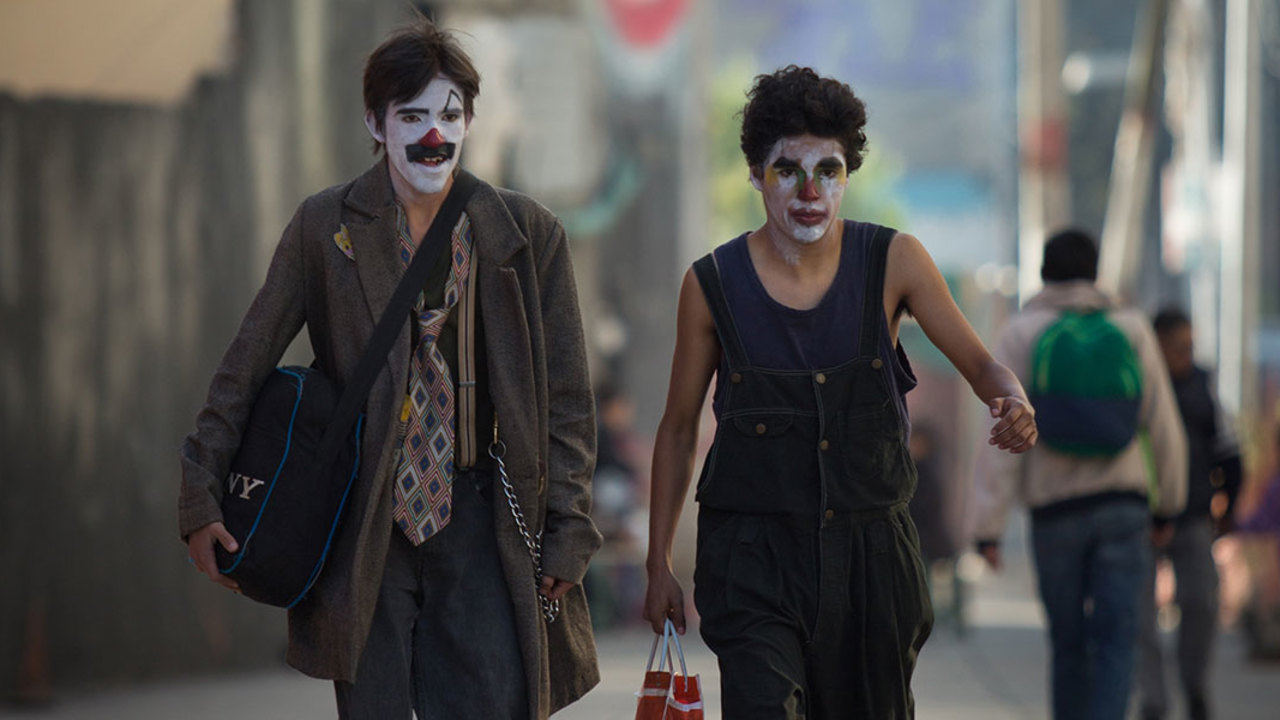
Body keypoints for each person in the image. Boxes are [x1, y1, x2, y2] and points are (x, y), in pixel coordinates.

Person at [178, 17, 601, 720]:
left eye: (449, 116)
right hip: (363, 517)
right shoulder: (325, 226)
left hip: (484, 519)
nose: (433, 134)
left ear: (469, 122)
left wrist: (569, 527)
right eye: (411, 116)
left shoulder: (530, 235)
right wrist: (201, 495)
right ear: (375, 122)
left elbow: (568, 401)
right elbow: (244, 366)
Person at [642, 65, 1038, 719]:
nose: (809, 191)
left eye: (827, 170)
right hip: (753, 564)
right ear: (756, 173)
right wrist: (658, 563)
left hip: (872, 565)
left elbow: (982, 366)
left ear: (847, 174)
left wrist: (1014, 399)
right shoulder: (711, 285)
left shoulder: (895, 262)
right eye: (787, 169)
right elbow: (679, 429)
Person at [972, 228, 1188, 720]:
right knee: (1117, 640)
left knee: (1068, 643)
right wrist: (1168, 506)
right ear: (1095, 273)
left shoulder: (1022, 332)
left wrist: (987, 528)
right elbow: (1163, 425)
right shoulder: (1131, 328)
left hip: (1055, 513)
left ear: (1044, 274)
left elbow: (1000, 440)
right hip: (1123, 507)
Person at [1137, 307, 1243, 720]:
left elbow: (1229, 453)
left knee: (1202, 602)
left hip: (1193, 515)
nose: (1186, 354)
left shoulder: (1204, 388)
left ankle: (1195, 686)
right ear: (1157, 346)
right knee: (1139, 614)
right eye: (1178, 346)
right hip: (1141, 518)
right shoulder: (1138, 385)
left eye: (1189, 346)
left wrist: (1229, 505)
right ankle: (1153, 700)